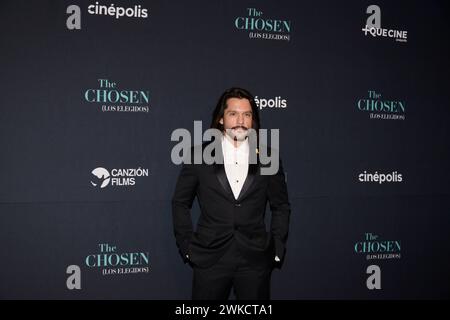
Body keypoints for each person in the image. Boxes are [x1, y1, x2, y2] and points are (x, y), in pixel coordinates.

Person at [172, 87, 290, 300]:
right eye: (233, 114)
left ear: (253, 120)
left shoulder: (268, 156)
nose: (240, 120)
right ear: (220, 119)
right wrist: (187, 246)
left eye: (247, 114)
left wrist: (277, 245)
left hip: (255, 260)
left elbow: (281, 205)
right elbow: (180, 203)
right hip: (210, 258)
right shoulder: (198, 155)